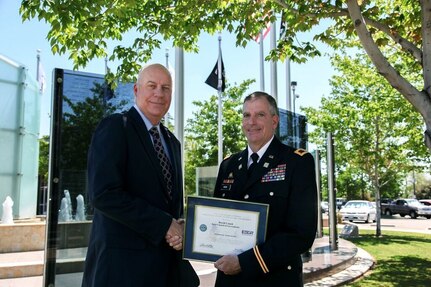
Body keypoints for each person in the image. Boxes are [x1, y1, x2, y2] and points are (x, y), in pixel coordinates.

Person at [82, 64, 199, 287]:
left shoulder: (172, 142)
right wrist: (164, 224)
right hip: (123, 271)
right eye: (152, 86)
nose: (159, 93)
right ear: (136, 90)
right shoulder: (116, 127)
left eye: (166, 88)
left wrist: (179, 225)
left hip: (165, 270)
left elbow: (168, 203)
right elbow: (104, 194)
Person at [213, 91, 317, 287]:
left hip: (274, 279)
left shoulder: (297, 162)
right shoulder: (228, 165)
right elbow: (217, 219)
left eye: (260, 115)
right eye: (246, 115)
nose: (251, 122)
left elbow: (301, 234)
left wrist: (246, 262)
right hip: (229, 281)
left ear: (274, 121)